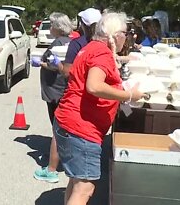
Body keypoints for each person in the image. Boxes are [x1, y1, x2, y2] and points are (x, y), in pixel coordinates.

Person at [54, 12, 146, 205]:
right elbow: (94, 86)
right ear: (116, 35)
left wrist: (122, 62)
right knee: (85, 188)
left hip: (68, 122)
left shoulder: (92, 48)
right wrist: (129, 96)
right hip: (81, 128)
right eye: (125, 33)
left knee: (76, 182)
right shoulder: (101, 52)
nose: (126, 37)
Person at [33, 8, 101, 183]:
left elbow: (65, 70)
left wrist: (43, 63)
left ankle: (52, 169)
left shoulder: (72, 43)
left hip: (58, 91)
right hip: (75, 90)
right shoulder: (92, 43)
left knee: (58, 128)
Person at [32, 12, 73, 183]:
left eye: (51, 25)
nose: (49, 28)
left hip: (55, 91)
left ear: (57, 27)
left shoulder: (57, 44)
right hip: (62, 89)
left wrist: (38, 62)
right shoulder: (71, 42)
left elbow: (54, 65)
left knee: (57, 127)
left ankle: (54, 165)